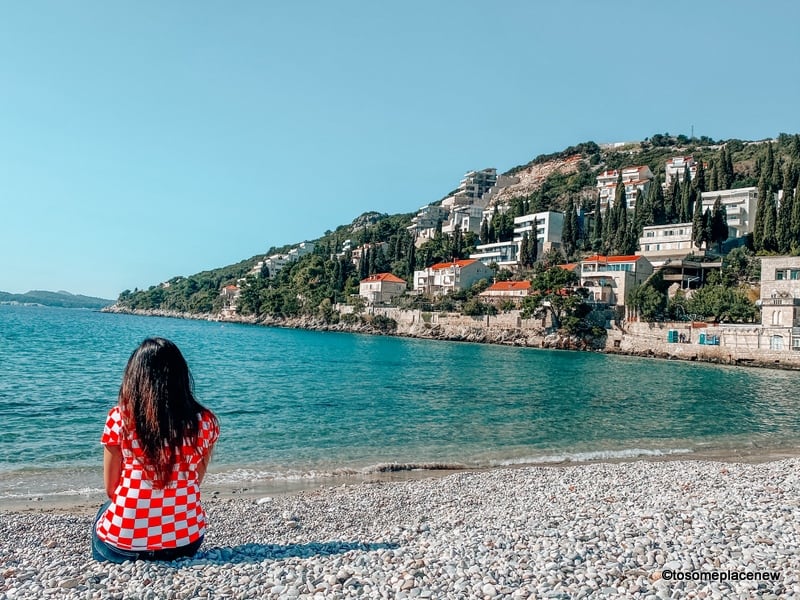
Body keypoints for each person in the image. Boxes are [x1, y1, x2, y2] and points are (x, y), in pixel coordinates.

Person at [92, 337, 219, 562]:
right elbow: (194, 481)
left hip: (123, 546)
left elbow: (112, 489)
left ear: (134, 377)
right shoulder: (205, 422)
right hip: (185, 542)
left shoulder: (119, 418)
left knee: (105, 509)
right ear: (181, 377)